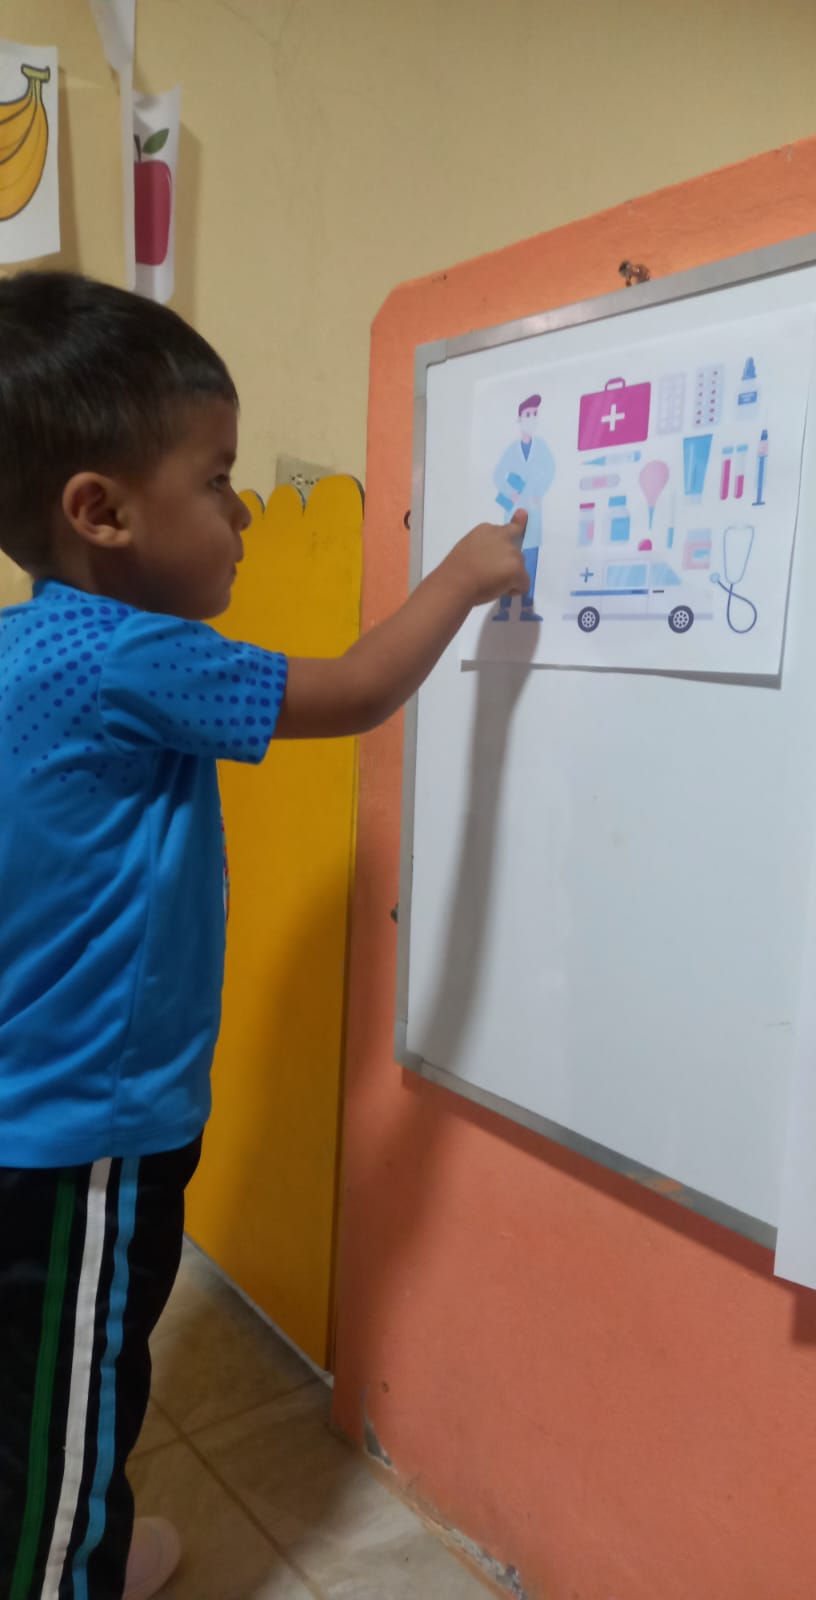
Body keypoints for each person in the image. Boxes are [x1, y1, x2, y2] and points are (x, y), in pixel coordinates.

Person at [0, 271, 529, 1600]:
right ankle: (64, 1567)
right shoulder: (133, 652)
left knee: (49, 1379)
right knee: (72, 1387)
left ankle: (79, 1544)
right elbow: (352, 690)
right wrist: (466, 571)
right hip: (82, 1131)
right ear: (101, 512)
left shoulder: (27, 650)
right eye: (218, 479)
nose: (241, 514)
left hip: (35, 1105)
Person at [491, 392, 555, 622]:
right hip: (513, 513)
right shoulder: (511, 450)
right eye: (528, 414)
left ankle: (527, 608)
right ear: (520, 419)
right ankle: (504, 609)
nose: (532, 417)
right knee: (509, 563)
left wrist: (539, 493)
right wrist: (510, 492)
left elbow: (551, 471)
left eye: (535, 413)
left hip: (534, 515)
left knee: (530, 562)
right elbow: (497, 475)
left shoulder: (542, 448)